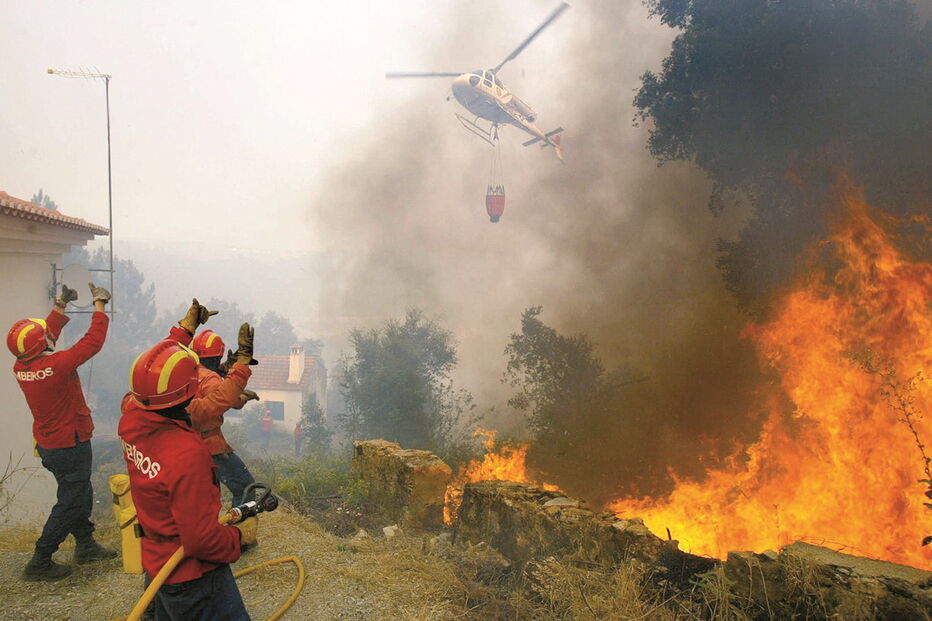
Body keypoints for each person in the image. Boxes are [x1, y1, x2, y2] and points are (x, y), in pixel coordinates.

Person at [118, 302, 258, 620]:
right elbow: (202, 540)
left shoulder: (130, 414)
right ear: (190, 390)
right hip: (195, 575)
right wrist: (237, 537)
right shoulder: (187, 454)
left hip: (158, 559)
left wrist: (183, 330)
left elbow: (156, 374)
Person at [8, 283, 117, 581]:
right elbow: (92, 342)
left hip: (50, 445)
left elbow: (43, 339)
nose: (48, 335)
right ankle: (41, 559)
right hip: (71, 442)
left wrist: (59, 307)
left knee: (78, 492)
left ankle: (85, 545)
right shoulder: (57, 365)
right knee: (71, 499)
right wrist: (99, 306)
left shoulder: (22, 365)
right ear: (41, 344)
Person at [190, 329, 259, 507]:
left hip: (188, 444)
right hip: (210, 445)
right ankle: (240, 528)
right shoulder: (211, 379)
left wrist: (223, 371)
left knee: (206, 494)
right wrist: (242, 397)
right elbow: (227, 400)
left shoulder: (188, 372)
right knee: (245, 488)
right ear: (218, 356)